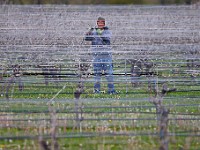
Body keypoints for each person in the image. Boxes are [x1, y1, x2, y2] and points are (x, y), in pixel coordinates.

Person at [84, 17, 116, 94]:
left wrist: (100, 34)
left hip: (106, 57)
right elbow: (87, 39)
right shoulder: (94, 31)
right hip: (96, 57)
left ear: (104, 24)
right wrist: (88, 34)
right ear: (97, 23)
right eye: (99, 22)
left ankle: (111, 91)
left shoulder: (107, 31)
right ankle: (96, 91)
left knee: (109, 75)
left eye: (102, 22)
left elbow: (107, 38)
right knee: (97, 75)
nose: (101, 24)